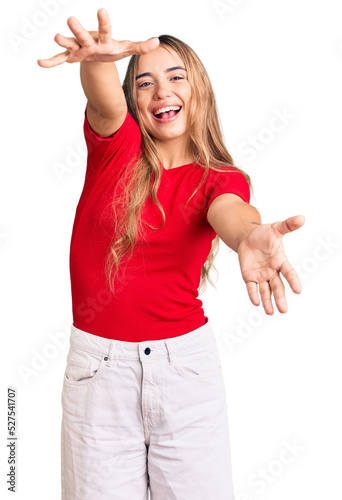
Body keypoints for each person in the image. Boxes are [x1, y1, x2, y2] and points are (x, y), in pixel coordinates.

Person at [38, 8, 305, 500]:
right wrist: (97, 61)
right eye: (144, 82)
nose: (162, 91)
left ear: (197, 90)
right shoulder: (115, 150)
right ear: (132, 98)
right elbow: (102, 99)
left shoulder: (219, 179)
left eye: (176, 77)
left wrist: (249, 237)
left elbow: (233, 212)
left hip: (185, 371)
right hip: (100, 376)